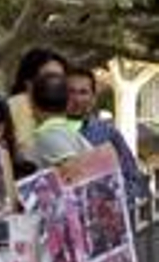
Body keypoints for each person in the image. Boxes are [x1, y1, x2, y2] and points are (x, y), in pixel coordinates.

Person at [66, 66, 149, 200]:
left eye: (83, 92)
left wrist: (111, 196)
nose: (76, 98)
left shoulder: (108, 134)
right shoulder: (46, 134)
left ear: (93, 98)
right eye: (70, 91)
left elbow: (135, 182)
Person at [8, 48, 68, 166]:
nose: (56, 83)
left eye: (61, 78)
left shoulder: (58, 111)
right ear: (29, 82)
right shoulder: (17, 105)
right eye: (50, 77)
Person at [31, 71, 92, 167]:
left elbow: (75, 172)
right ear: (67, 103)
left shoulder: (48, 134)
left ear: (33, 105)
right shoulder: (69, 132)